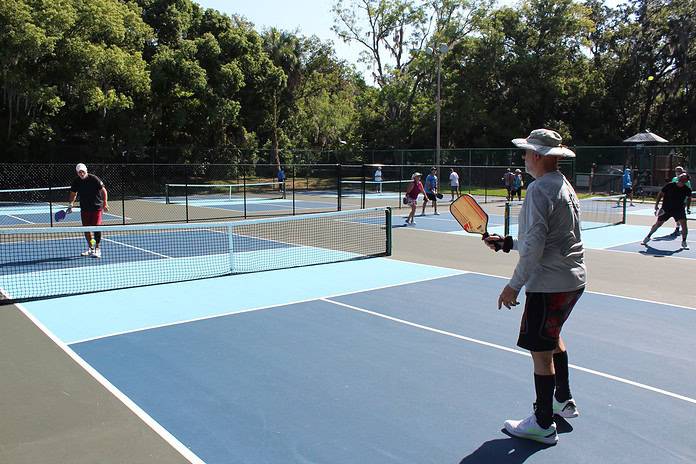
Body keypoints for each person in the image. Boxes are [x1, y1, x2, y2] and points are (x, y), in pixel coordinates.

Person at [483, 129, 586, 445]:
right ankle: (562, 400)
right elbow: (547, 239)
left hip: (549, 284)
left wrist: (513, 286)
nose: (524, 157)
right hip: (573, 280)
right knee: (552, 338)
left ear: (538, 156)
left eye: (527, 152)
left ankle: (542, 424)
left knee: (540, 353)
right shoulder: (564, 186)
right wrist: (508, 243)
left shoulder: (538, 191)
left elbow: (536, 248)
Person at [67, 163, 109, 258]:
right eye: (79, 172)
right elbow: (73, 193)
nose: (81, 174)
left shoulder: (94, 179)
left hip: (96, 208)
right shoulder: (76, 181)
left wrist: (105, 203)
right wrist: (70, 205)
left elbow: (103, 191)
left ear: (86, 171)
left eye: (82, 171)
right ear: (77, 173)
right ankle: (91, 248)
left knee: (96, 228)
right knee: (86, 230)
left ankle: (97, 249)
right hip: (85, 209)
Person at [641, 172, 691, 250]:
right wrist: (656, 205)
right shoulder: (670, 185)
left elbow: (689, 199)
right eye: (681, 177)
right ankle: (648, 237)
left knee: (684, 225)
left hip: (679, 210)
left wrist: (688, 208)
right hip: (666, 209)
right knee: (658, 224)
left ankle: (684, 242)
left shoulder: (687, 189)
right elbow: (660, 194)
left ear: (686, 180)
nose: (681, 178)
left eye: (683, 178)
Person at [671, 166, 691, 236]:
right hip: (673, 201)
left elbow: (688, 192)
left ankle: (678, 228)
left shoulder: (687, 181)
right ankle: (678, 227)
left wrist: (688, 206)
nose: (677, 172)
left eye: (679, 171)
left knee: (680, 216)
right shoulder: (674, 179)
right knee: (675, 215)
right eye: (676, 171)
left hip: (682, 201)